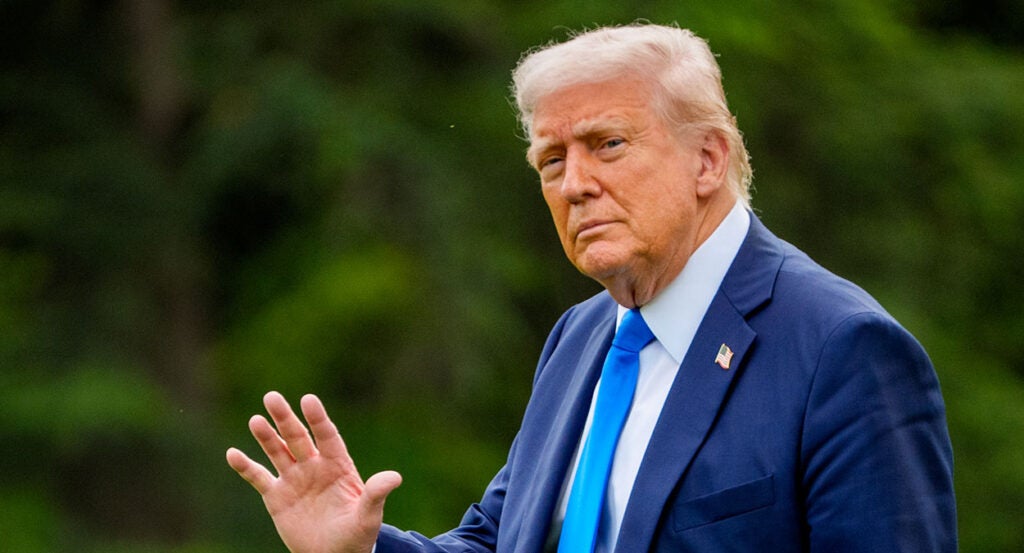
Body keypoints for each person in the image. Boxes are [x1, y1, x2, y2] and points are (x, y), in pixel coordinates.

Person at [226, 23, 957, 552]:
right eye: (551, 161)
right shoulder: (582, 336)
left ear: (708, 159)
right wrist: (367, 550)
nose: (575, 184)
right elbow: (500, 542)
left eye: (607, 144)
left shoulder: (843, 348)